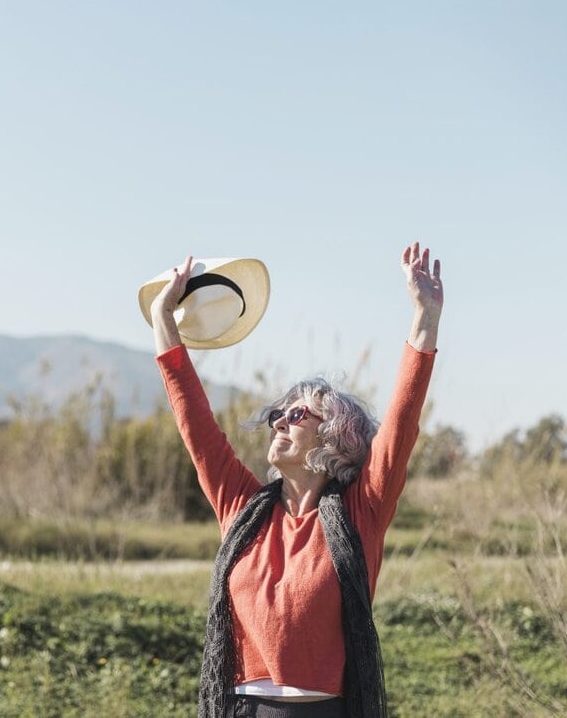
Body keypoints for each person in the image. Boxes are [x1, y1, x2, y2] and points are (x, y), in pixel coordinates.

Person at [149, 243, 443, 718]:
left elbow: (401, 424)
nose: (280, 422)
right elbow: (195, 425)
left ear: (335, 436)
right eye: (277, 415)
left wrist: (425, 316)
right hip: (242, 708)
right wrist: (163, 320)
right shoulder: (242, 508)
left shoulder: (362, 510)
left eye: (298, 414)